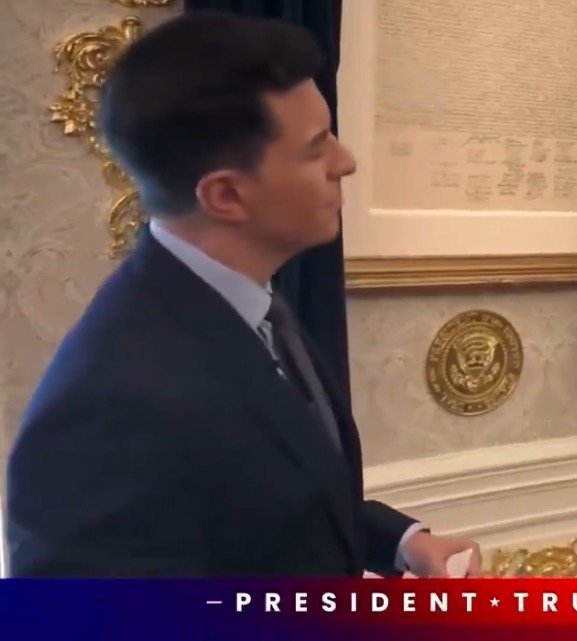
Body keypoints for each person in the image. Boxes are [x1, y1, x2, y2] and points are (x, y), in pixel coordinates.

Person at [4, 11, 480, 577]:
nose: (344, 161)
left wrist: (399, 542)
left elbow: (270, 497)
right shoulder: (109, 404)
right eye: (314, 148)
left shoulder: (245, 303)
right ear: (226, 195)